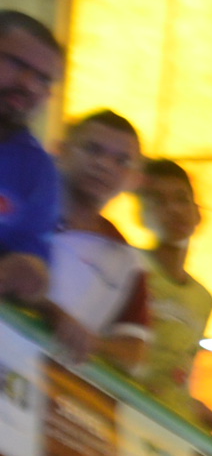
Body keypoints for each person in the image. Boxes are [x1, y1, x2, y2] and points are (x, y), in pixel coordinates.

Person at [49, 108, 147, 375]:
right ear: (61, 150)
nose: (104, 165)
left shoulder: (126, 260)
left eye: (122, 161)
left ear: (134, 179)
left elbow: (134, 351)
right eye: (93, 150)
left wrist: (92, 343)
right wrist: (53, 315)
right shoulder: (20, 210)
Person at [0, 11, 71, 351]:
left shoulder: (37, 170)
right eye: (17, 64)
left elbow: (31, 266)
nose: (29, 85)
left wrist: (30, 275)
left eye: (44, 80)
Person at [133, 156, 212, 431]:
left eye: (181, 199)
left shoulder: (204, 300)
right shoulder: (130, 267)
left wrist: (193, 407)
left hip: (171, 426)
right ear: (142, 216)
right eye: (158, 201)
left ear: (198, 213)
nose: (173, 210)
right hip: (126, 410)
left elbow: (178, 373)